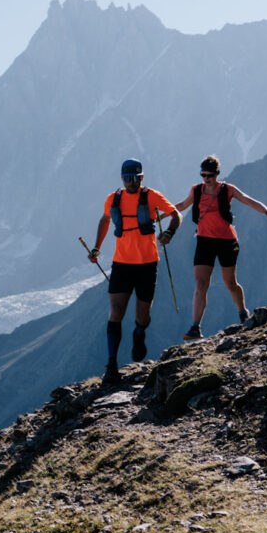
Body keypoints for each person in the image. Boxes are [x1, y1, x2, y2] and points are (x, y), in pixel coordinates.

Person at [87, 158, 180, 385]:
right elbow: (105, 219)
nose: (131, 182)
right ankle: (111, 366)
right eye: (127, 178)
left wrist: (169, 233)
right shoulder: (114, 199)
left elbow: (175, 214)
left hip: (147, 264)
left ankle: (139, 333)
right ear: (122, 179)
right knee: (116, 310)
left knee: (142, 315)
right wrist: (96, 247)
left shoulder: (152, 197)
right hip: (121, 264)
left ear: (142, 178)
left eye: (135, 178)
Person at [170, 154, 267, 340]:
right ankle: (195, 326)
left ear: (217, 174)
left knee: (230, 282)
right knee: (201, 284)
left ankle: (242, 312)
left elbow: (248, 200)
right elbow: (181, 205)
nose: (206, 179)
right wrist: (161, 215)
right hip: (204, 241)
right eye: (203, 175)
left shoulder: (228, 189)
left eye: (210, 175)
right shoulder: (196, 191)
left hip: (226, 241)